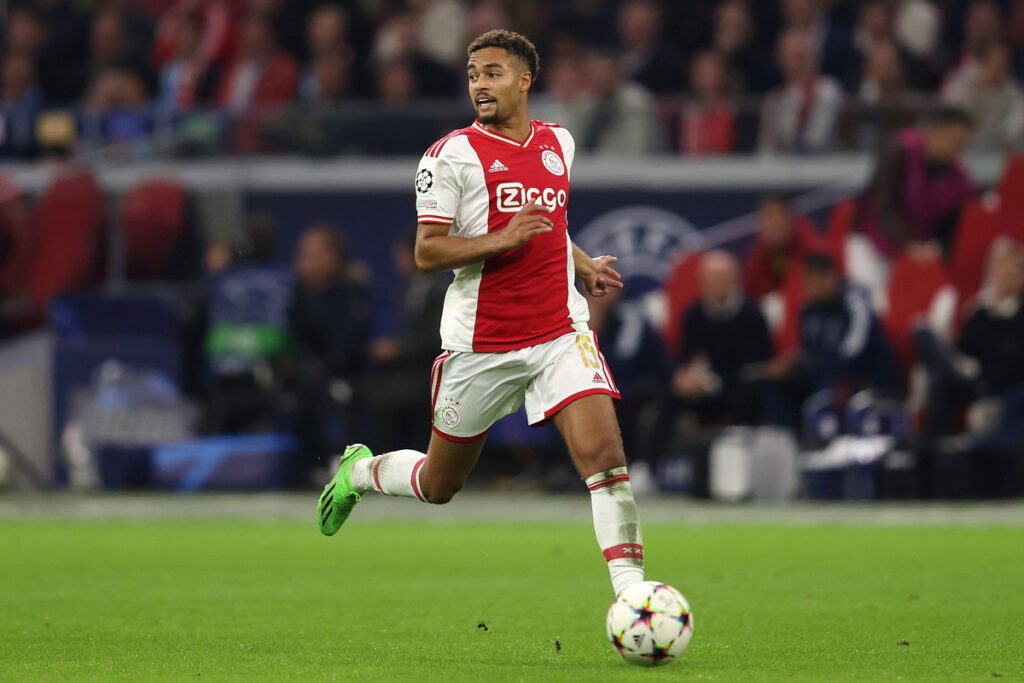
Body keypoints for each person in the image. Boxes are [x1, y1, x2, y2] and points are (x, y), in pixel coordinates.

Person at [317, 30, 646, 597]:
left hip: (559, 333)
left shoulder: (558, 143)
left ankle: (634, 596)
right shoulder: (450, 157)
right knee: (440, 483)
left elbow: (550, 223)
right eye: (473, 75)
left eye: (492, 73)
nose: (480, 85)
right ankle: (360, 472)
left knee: (606, 460)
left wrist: (583, 264)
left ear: (525, 80)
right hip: (482, 344)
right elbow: (428, 252)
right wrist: (500, 239)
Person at [850, 107, 975, 309]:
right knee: (873, 305)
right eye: (955, 141)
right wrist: (910, 244)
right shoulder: (898, 151)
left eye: (963, 145)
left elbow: (955, 224)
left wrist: (937, 249)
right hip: (871, 243)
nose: (958, 150)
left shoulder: (960, 178)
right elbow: (883, 208)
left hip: (914, 252)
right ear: (935, 133)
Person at [764, 251, 900, 425]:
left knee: (829, 382)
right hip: (824, 373)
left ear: (833, 276)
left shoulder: (855, 305)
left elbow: (851, 354)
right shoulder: (808, 310)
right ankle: (789, 442)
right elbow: (808, 351)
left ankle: (825, 441)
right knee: (778, 385)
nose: (812, 284)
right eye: (808, 278)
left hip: (863, 377)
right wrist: (792, 363)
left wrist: (808, 365)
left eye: (818, 277)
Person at [671, 251, 774, 425]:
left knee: (747, 393)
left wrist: (714, 382)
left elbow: (756, 364)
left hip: (738, 386)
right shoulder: (693, 315)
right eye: (710, 278)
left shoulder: (752, 315)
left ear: (735, 280)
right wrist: (685, 378)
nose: (715, 283)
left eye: (721, 278)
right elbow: (685, 356)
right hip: (701, 385)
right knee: (667, 394)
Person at [759, 29, 844, 154]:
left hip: (822, 165)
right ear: (780, 60)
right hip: (779, 169)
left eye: (802, 56)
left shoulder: (827, 90)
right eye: (793, 56)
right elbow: (766, 147)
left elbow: (816, 140)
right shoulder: (773, 99)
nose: (798, 62)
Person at [743, 194, 823, 300]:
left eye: (777, 216)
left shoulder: (811, 246)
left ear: (790, 219)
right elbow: (752, 289)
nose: (773, 223)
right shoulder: (760, 251)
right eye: (767, 218)